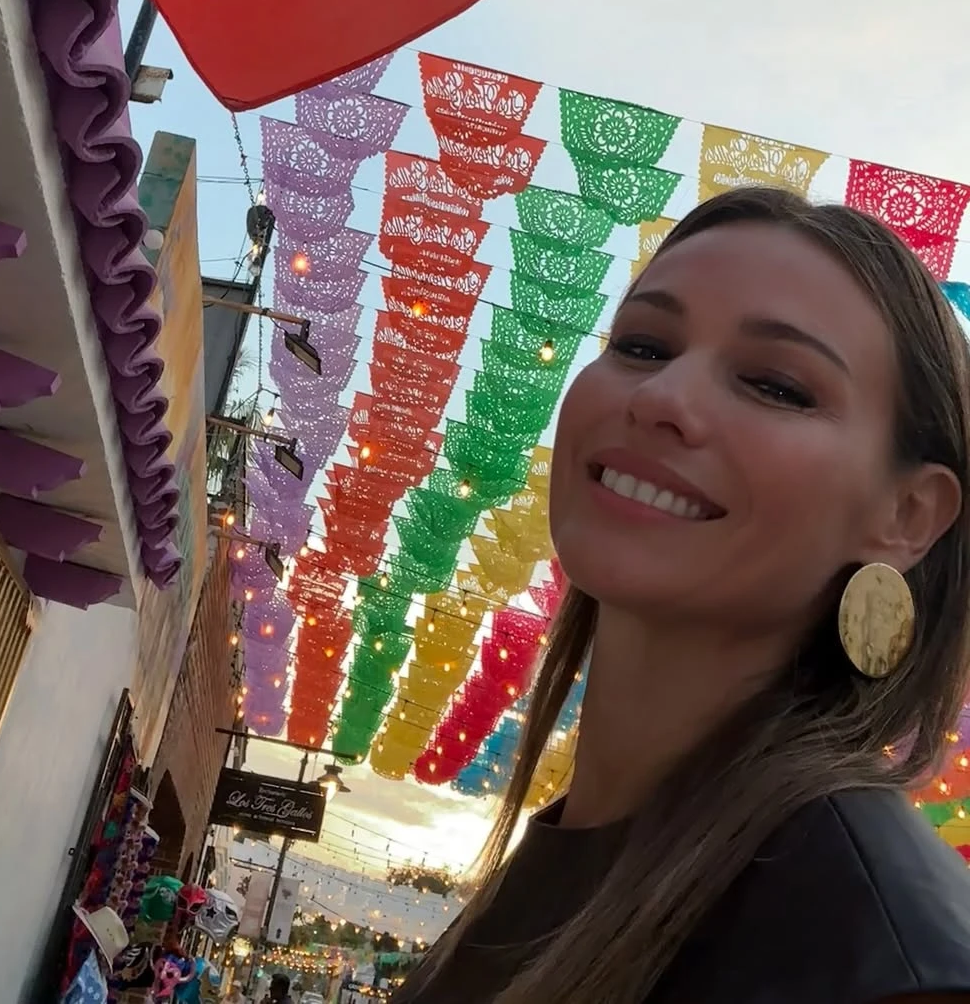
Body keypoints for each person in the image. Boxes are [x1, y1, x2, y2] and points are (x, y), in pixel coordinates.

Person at [393, 187, 970, 1004]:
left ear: (906, 514)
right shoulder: (565, 859)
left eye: (775, 386)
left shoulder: (886, 960)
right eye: (641, 345)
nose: (659, 400)